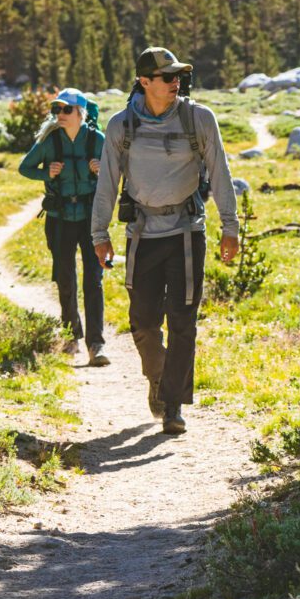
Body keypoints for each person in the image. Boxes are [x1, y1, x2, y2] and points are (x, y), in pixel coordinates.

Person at [91, 48, 239, 434]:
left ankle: (172, 405)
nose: (176, 82)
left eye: (178, 77)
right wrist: (99, 233)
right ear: (144, 81)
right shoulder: (121, 125)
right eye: (167, 77)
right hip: (142, 234)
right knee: (142, 321)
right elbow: (106, 181)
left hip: (188, 232)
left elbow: (220, 171)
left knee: (183, 321)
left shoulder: (198, 118)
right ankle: (158, 377)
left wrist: (230, 226)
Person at [19, 87, 109, 366]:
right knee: (65, 278)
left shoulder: (97, 140)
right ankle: (71, 336)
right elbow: (25, 167)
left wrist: (101, 167)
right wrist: (46, 173)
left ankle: (96, 344)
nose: (60, 114)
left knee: (93, 279)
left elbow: (120, 170)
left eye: (66, 109)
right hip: (59, 218)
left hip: (91, 217)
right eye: (57, 109)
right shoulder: (50, 141)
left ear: (81, 113)